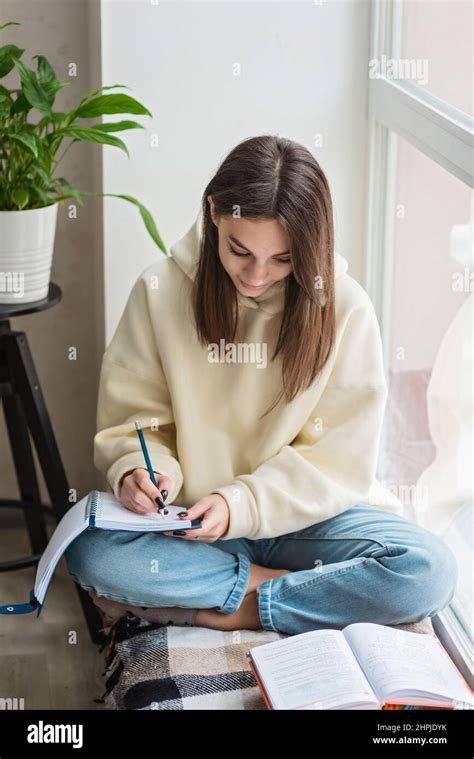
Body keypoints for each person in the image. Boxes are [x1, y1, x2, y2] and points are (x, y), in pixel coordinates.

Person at [65, 135, 458, 636]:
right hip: (193, 524)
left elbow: (337, 460)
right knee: (93, 553)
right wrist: (142, 471)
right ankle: (298, 591)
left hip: (307, 524)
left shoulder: (347, 309)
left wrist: (241, 505)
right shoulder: (159, 291)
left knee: (428, 571)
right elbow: (138, 423)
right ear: (213, 212)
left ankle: (237, 607)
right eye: (240, 250)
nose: (255, 276)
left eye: (282, 259)